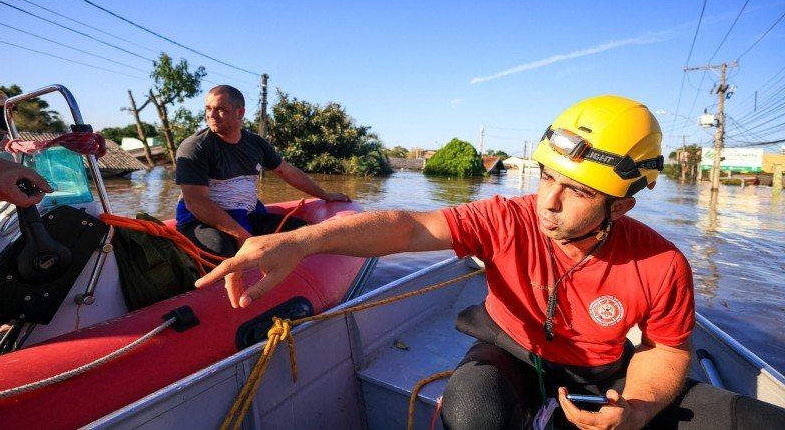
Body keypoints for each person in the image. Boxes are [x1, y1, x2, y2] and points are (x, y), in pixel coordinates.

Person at [194, 95, 785, 429]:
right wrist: (302, 242)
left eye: (576, 191)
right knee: (470, 408)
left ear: (620, 203)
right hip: (512, 354)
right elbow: (405, 226)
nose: (547, 202)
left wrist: (635, 409)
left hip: (607, 376)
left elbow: (664, 350)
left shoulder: (661, 263)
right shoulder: (507, 216)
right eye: (548, 176)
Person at [175, 84, 351, 258]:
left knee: (303, 232)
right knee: (221, 249)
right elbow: (196, 202)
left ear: (240, 112)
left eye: (220, 109)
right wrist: (243, 236)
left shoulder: (256, 144)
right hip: (200, 220)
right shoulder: (194, 147)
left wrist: (325, 195)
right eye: (208, 108)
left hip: (245, 213)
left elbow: (286, 171)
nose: (211, 115)